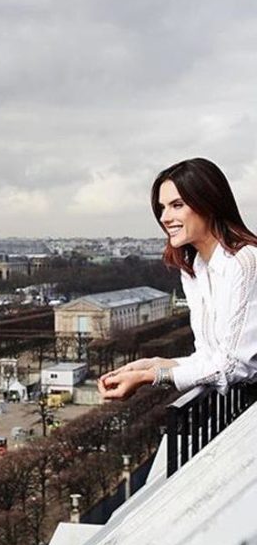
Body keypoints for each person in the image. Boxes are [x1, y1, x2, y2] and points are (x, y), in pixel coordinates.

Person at [99, 158, 257, 401]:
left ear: (209, 203)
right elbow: (208, 359)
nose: (164, 217)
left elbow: (234, 366)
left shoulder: (245, 263)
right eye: (162, 208)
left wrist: (150, 376)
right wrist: (152, 364)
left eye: (177, 205)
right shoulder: (194, 268)